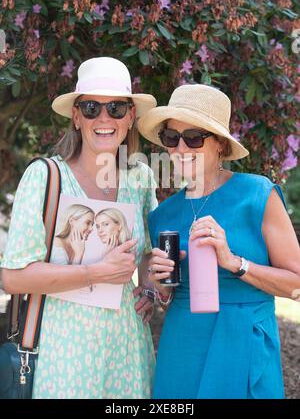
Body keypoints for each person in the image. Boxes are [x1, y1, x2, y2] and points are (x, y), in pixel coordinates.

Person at [1, 57, 158, 399]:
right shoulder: (45, 177)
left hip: (126, 348)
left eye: (116, 107)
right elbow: (13, 277)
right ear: (76, 116)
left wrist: (149, 289)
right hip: (65, 352)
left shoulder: (140, 177)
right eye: (91, 107)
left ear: (131, 116)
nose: (104, 118)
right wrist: (96, 272)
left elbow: (147, 255)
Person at [137, 84, 300, 399]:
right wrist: (159, 286)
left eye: (194, 137)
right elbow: (165, 297)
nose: (180, 149)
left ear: (221, 146)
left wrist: (234, 262)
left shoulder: (258, 195)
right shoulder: (163, 215)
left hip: (244, 343)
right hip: (181, 345)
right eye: (171, 138)